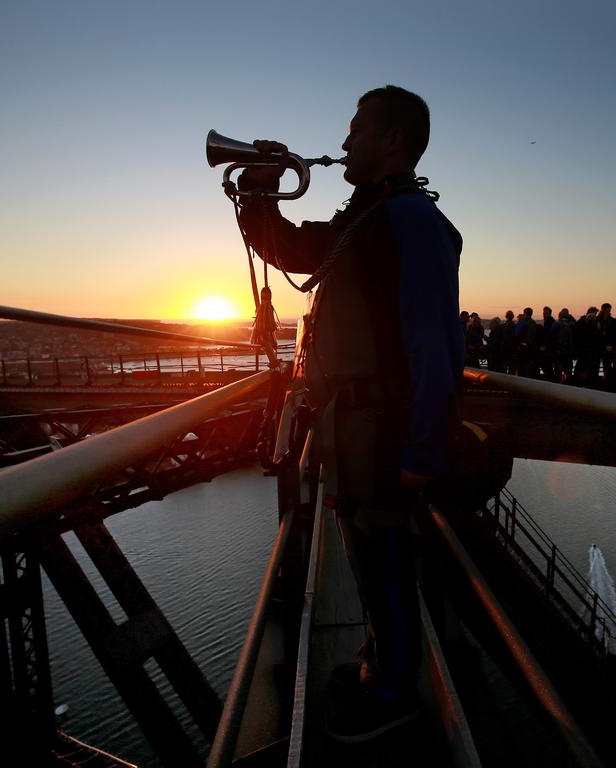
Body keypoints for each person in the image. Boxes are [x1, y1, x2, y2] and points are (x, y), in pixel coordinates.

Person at [235, 85, 463, 743]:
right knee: (367, 550)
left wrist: (424, 450)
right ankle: (378, 662)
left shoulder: (410, 220)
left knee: (386, 554)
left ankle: (395, 692)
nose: (342, 145)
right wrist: (257, 193)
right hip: (359, 426)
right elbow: (299, 252)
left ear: (393, 139)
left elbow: (434, 343)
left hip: (383, 427)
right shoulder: (373, 217)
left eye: (356, 130)